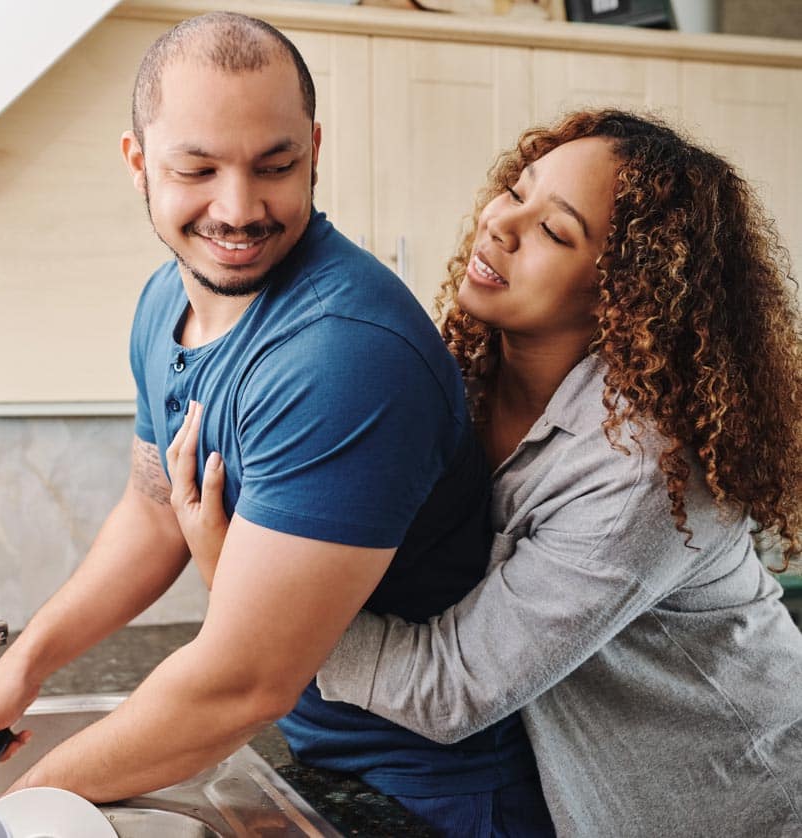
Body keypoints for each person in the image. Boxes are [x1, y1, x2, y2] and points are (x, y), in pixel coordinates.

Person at [0, 11, 555, 834]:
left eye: (275, 166)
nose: (238, 210)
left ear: (315, 152)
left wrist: (15, 814)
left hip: (443, 796)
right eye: (197, 169)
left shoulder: (343, 357)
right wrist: (26, 665)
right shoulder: (169, 300)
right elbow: (155, 509)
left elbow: (241, 685)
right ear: (138, 164)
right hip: (323, 754)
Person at [168, 107, 802, 837]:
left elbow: (451, 687)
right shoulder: (461, 378)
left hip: (732, 802)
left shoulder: (645, 472)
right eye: (517, 190)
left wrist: (247, 592)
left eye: (554, 231)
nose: (502, 223)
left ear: (625, 295)